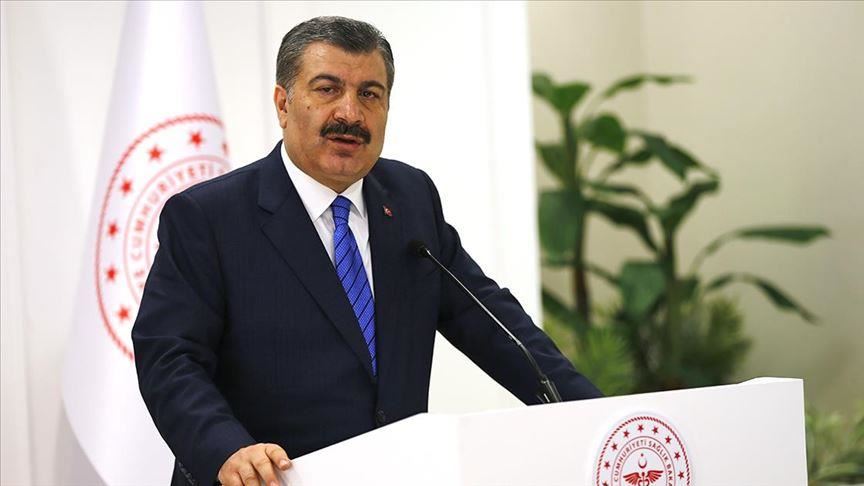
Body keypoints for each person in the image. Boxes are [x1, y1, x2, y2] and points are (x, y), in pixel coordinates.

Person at [132, 16, 602, 486]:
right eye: (327, 89)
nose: (351, 113)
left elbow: (492, 322)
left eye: (370, 94)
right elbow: (169, 357)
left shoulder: (410, 197)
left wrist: (598, 418)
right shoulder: (209, 217)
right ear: (283, 103)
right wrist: (226, 448)